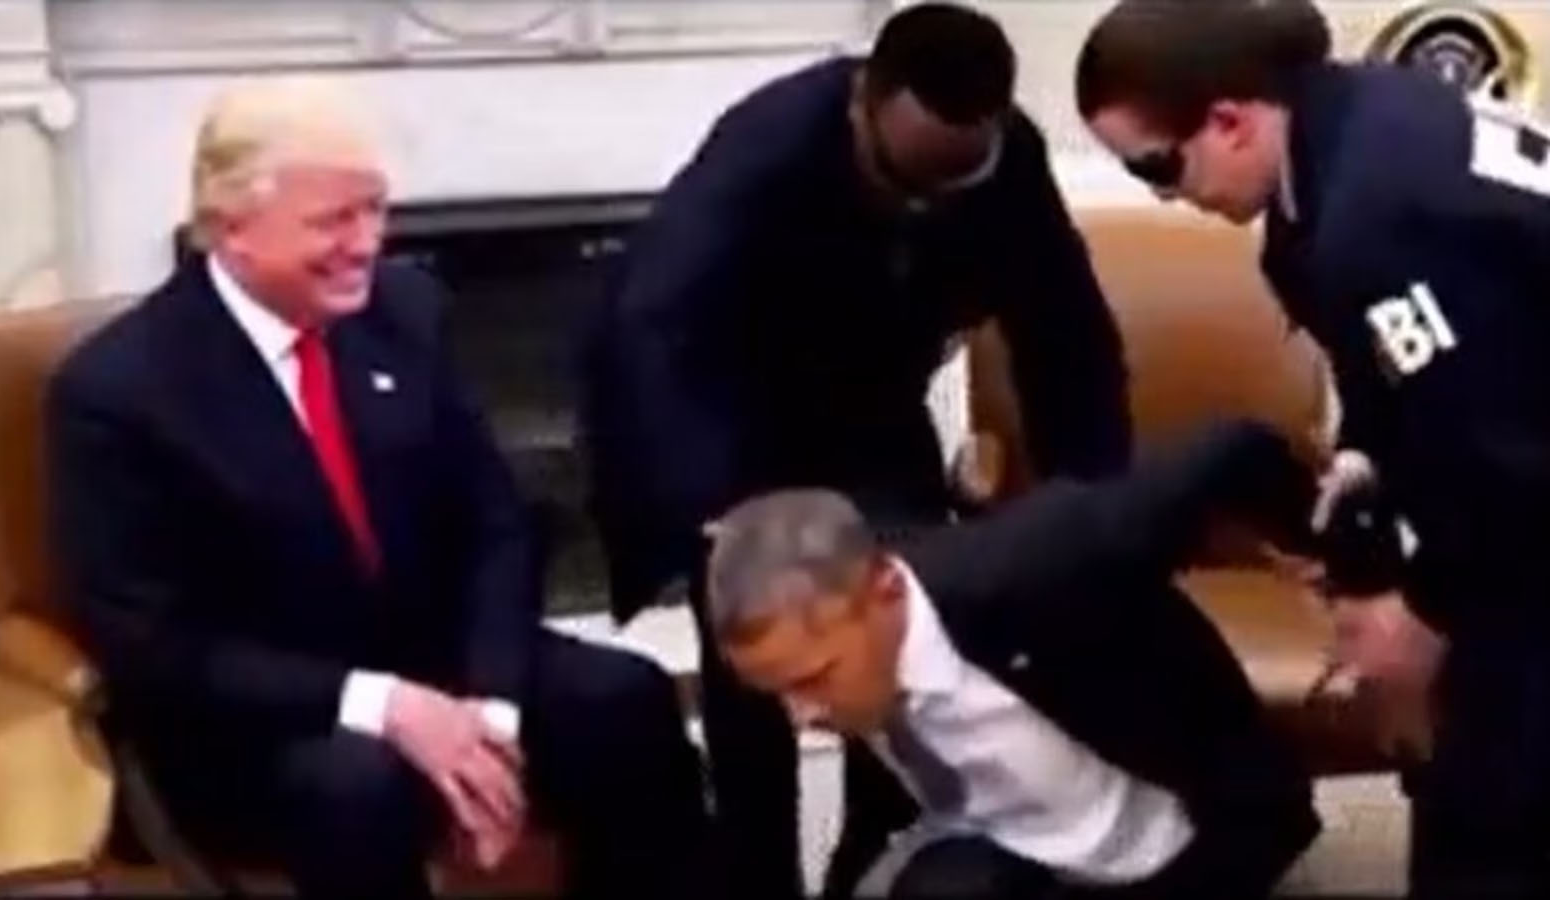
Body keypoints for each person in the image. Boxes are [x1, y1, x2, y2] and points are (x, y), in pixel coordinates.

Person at [48, 78, 708, 899]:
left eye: (376, 210)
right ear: (230, 227)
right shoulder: (118, 390)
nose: (367, 244)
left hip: (433, 661)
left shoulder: (403, 310)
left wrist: (492, 708)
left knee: (626, 702)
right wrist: (386, 705)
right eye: (333, 220)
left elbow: (493, 520)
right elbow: (155, 644)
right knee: (359, 789)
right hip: (259, 722)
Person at [580, 4, 1131, 894]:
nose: (924, 204)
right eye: (903, 178)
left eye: (952, 182)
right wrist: (708, 512)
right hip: (737, 414)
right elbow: (655, 331)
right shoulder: (767, 147)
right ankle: (759, 878)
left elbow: (1066, 334)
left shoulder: (1010, 161)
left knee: (898, 624)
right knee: (758, 663)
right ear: (860, 104)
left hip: (876, 406)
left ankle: (873, 857)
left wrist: (1097, 506)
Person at [1076, 0, 1550, 894]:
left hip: (1522, 523)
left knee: (1496, 800)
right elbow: (1420, 378)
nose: (1162, 195)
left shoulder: (1378, 219)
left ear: (1229, 119)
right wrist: (1368, 455)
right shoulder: (1356, 121)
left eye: (1157, 166)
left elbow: (1505, 460)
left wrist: (1422, 610)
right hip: (1509, 490)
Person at [704, 420, 1323, 899]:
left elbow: (1234, 448)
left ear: (886, 590)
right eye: (779, 693)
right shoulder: (830, 649)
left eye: (815, 679)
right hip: (1009, 852)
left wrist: (1346, 569)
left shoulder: (1041, 564)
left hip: (1178, 842)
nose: (801, 717)